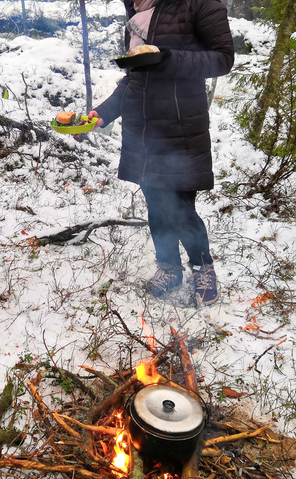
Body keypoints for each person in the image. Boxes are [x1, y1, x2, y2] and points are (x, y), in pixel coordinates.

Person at [88, 0, 234, 305]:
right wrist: (103, 112)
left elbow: (222, 58)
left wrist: (167, 59)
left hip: (179, 126)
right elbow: (134, 77)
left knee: (180, 207)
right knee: (155, 204)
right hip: (143, 132)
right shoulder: (136, 10)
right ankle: (169, 267)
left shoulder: (199, 4)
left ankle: (202, 268)